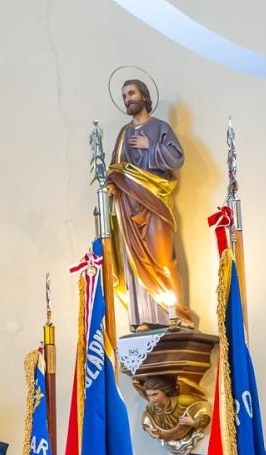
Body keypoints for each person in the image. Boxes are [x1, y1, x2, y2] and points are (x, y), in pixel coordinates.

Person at [107, 77, 195, 329]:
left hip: (155, 202)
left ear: (144, 97)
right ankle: (144, 318)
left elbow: (177, 158)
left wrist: (151, 146)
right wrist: (112, 186)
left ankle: (178, 315)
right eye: (124, 96)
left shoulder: (160, 128)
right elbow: (115, 168)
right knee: (135, 262)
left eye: (131, 94)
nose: (128, 99)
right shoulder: (123, 134)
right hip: (129, 206)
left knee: (163, 258)